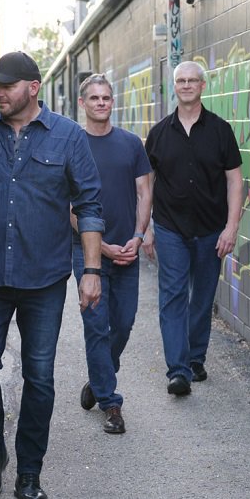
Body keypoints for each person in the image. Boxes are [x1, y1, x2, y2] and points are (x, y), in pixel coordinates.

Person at [0, 51, 104, 499]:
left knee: (39, 377)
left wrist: (90, 271)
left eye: (7, 85)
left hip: (45, 279)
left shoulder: (69, 137)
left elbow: (90, 206)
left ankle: (29, 472)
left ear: (32, 87)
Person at [143, 61, 243, 397]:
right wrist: (146, 229)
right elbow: (146, 186)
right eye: (180, 80)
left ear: (203, 85)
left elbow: (235, 180)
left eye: (192, 80)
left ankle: (195, 357)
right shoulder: (158, 134)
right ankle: (178, 371)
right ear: (174, 86)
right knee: (172, 297)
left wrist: (231, 227)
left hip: (211, 228)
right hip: (170, 227)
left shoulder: (220, 130)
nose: (186, 85)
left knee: (201, 297)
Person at [71, 74, 151, 434]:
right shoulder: (72, 145)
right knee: (96, 326)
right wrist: (99, 246)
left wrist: (137, 236)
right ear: (82, 103)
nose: (101, 103)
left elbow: (145, 193)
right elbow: (67, 207)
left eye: (106, 97)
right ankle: (110, 402)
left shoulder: (132, 144)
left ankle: (98, 376)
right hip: (88, 255)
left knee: (124, 323)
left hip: (127, 251)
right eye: (95, 98)